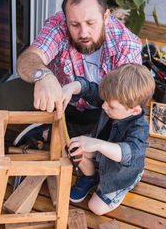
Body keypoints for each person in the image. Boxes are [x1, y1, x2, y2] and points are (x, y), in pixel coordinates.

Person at [0, 0, 142, 201]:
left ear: (105, 16)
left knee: (113, 132)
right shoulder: (58, 24)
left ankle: (58, 141)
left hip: (103, 113)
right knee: (5, 93)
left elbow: (127, 106)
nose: (83, 33)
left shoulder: (126, 45)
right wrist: (43, 75)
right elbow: (28, 59)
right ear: (66, 19)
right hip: (58, 100)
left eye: (90, 23)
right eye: (74, 24)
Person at [65, 63, 155, 215]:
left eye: (111, 106)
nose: (104, 106)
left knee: (96, 208)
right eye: (104, 100)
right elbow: (89, 89)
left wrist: (97, 144)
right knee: (74, 147)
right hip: (102, 153)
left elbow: (129, 153)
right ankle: (90, 176)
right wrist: (70, 88)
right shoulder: (113, 100)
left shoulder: (140, 128)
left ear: (134, 110)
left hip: (121, 172)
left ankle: (129, 183)